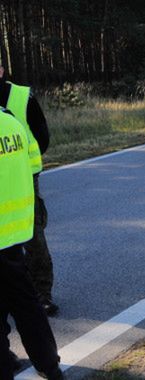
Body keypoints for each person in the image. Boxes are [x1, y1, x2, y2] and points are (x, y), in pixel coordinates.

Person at [0, 107, 63, 379]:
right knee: (26, 304)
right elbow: (33, 166)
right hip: (13, 233)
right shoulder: (10, 122)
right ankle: (49, 364)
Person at [0, 66, 58, 316]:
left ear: (1, 70)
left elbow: (42, 136)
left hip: (21, 176)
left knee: (31, 234)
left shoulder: (22, 96)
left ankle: (41, 294)